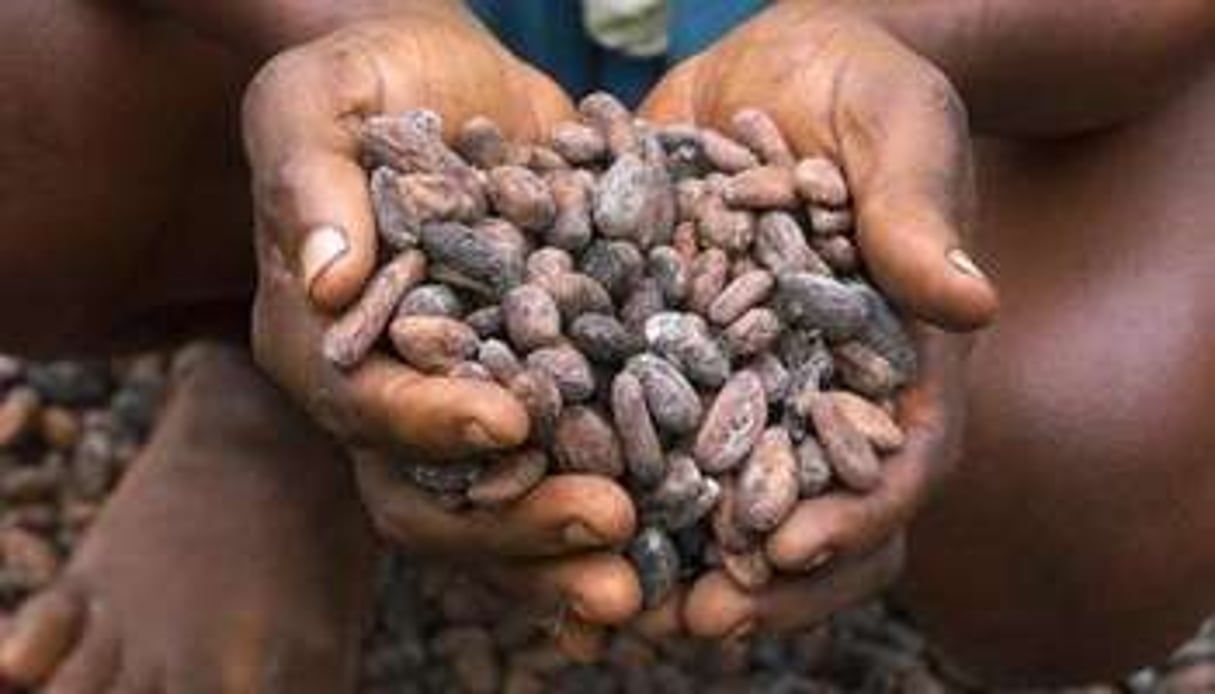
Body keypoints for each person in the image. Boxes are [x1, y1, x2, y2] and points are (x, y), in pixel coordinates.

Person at [0, 0, 1211, 689]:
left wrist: (866, 37)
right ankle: (268, 390)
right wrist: (364, 28)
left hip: (977, 48)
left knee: (1085, 474)